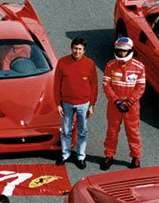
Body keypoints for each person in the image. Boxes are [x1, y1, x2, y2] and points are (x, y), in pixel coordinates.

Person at [101, 36, 145, 168]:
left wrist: (129, 102)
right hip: (115, 105)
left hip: (131, 106)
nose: (122, 53)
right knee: (112, 132)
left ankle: (136, 157)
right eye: (119, 50)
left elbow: (141, 87)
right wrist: (116, 101)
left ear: (130, 50)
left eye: (125, 51)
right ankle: (109, 155)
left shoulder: (139, 67)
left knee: (133, 132)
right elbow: (106, 85)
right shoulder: (110, 65)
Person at [54, 37, 98, 168]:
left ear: (84, 51)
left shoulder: (90, 64)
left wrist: (92, 105)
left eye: (80, 49)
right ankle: (65, 154)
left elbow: (94, 86)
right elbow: (56, 84)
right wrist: (58, 103)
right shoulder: (62, 63)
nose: (77, 51)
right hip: (66, 103)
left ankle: (80, 156)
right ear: (71, 48)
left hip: (83, 104)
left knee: (82, 131)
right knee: (66, 130)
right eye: (75, 48)